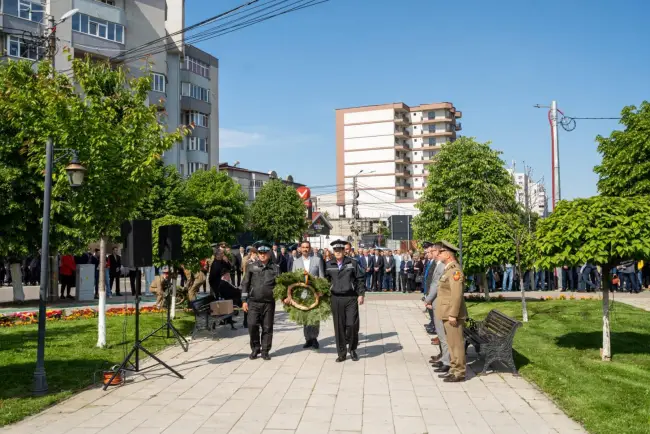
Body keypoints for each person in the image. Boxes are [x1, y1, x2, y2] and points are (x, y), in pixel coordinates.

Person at [325, 239, 365, 362]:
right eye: (335, 250)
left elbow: (360, 279)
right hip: (335, 298)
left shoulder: (352, 262)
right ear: (333, 251)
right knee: (339, 327)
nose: (337, 252)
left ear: (344, 250)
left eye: (340, 250)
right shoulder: (328, 264)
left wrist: (361, 294)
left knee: (352, 324)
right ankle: (341, 353)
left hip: (350, 298)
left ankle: (352, 349)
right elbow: (325, 282)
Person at [435, 240, 468, 382]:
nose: (438, 254)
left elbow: (456, 294)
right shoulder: (448, 269)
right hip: (447, 313)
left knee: (456, 344)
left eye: (440, 251)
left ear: (448, 254)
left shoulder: (455, 270)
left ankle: (459, 372)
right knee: (451, 343)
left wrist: (453, 314)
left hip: (452, 314)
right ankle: (453, 369)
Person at [241, 241, 280, 360]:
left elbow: (280, 285)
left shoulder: (275, 268)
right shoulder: (251, 266)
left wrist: (284, 297)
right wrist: (243, 300)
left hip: (269, 302)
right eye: (260, 253)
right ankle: (255, 348)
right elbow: (245, 283)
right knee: (252, 325)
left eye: (265, 253)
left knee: (267, 327)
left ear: (269, 254)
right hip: (253, 301)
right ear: (257, 254)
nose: (262, 255)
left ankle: (265, 350)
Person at [291, 240, 325, 349]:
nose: (305, 249)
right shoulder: (296, 262)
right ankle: (307, 339)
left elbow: (322, 277)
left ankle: (314, 338)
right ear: (300, 249)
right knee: (305, 316)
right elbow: (293, 278)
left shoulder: (317, 260)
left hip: (314, 293)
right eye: (303, 247)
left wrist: (321, 290)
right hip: (302, 294)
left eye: (307, 247)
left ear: (309, 249)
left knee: (314, 316)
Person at [424, 243, 451, 374]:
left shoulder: (444, 266)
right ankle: (444, 358)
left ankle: (447, 360)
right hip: (437, 302)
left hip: (441, 303)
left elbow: (436, 284)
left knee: (443, 335)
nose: (434, 254)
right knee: (441, 334)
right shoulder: (439, 264)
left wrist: (428, 298)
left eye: (435, 251)